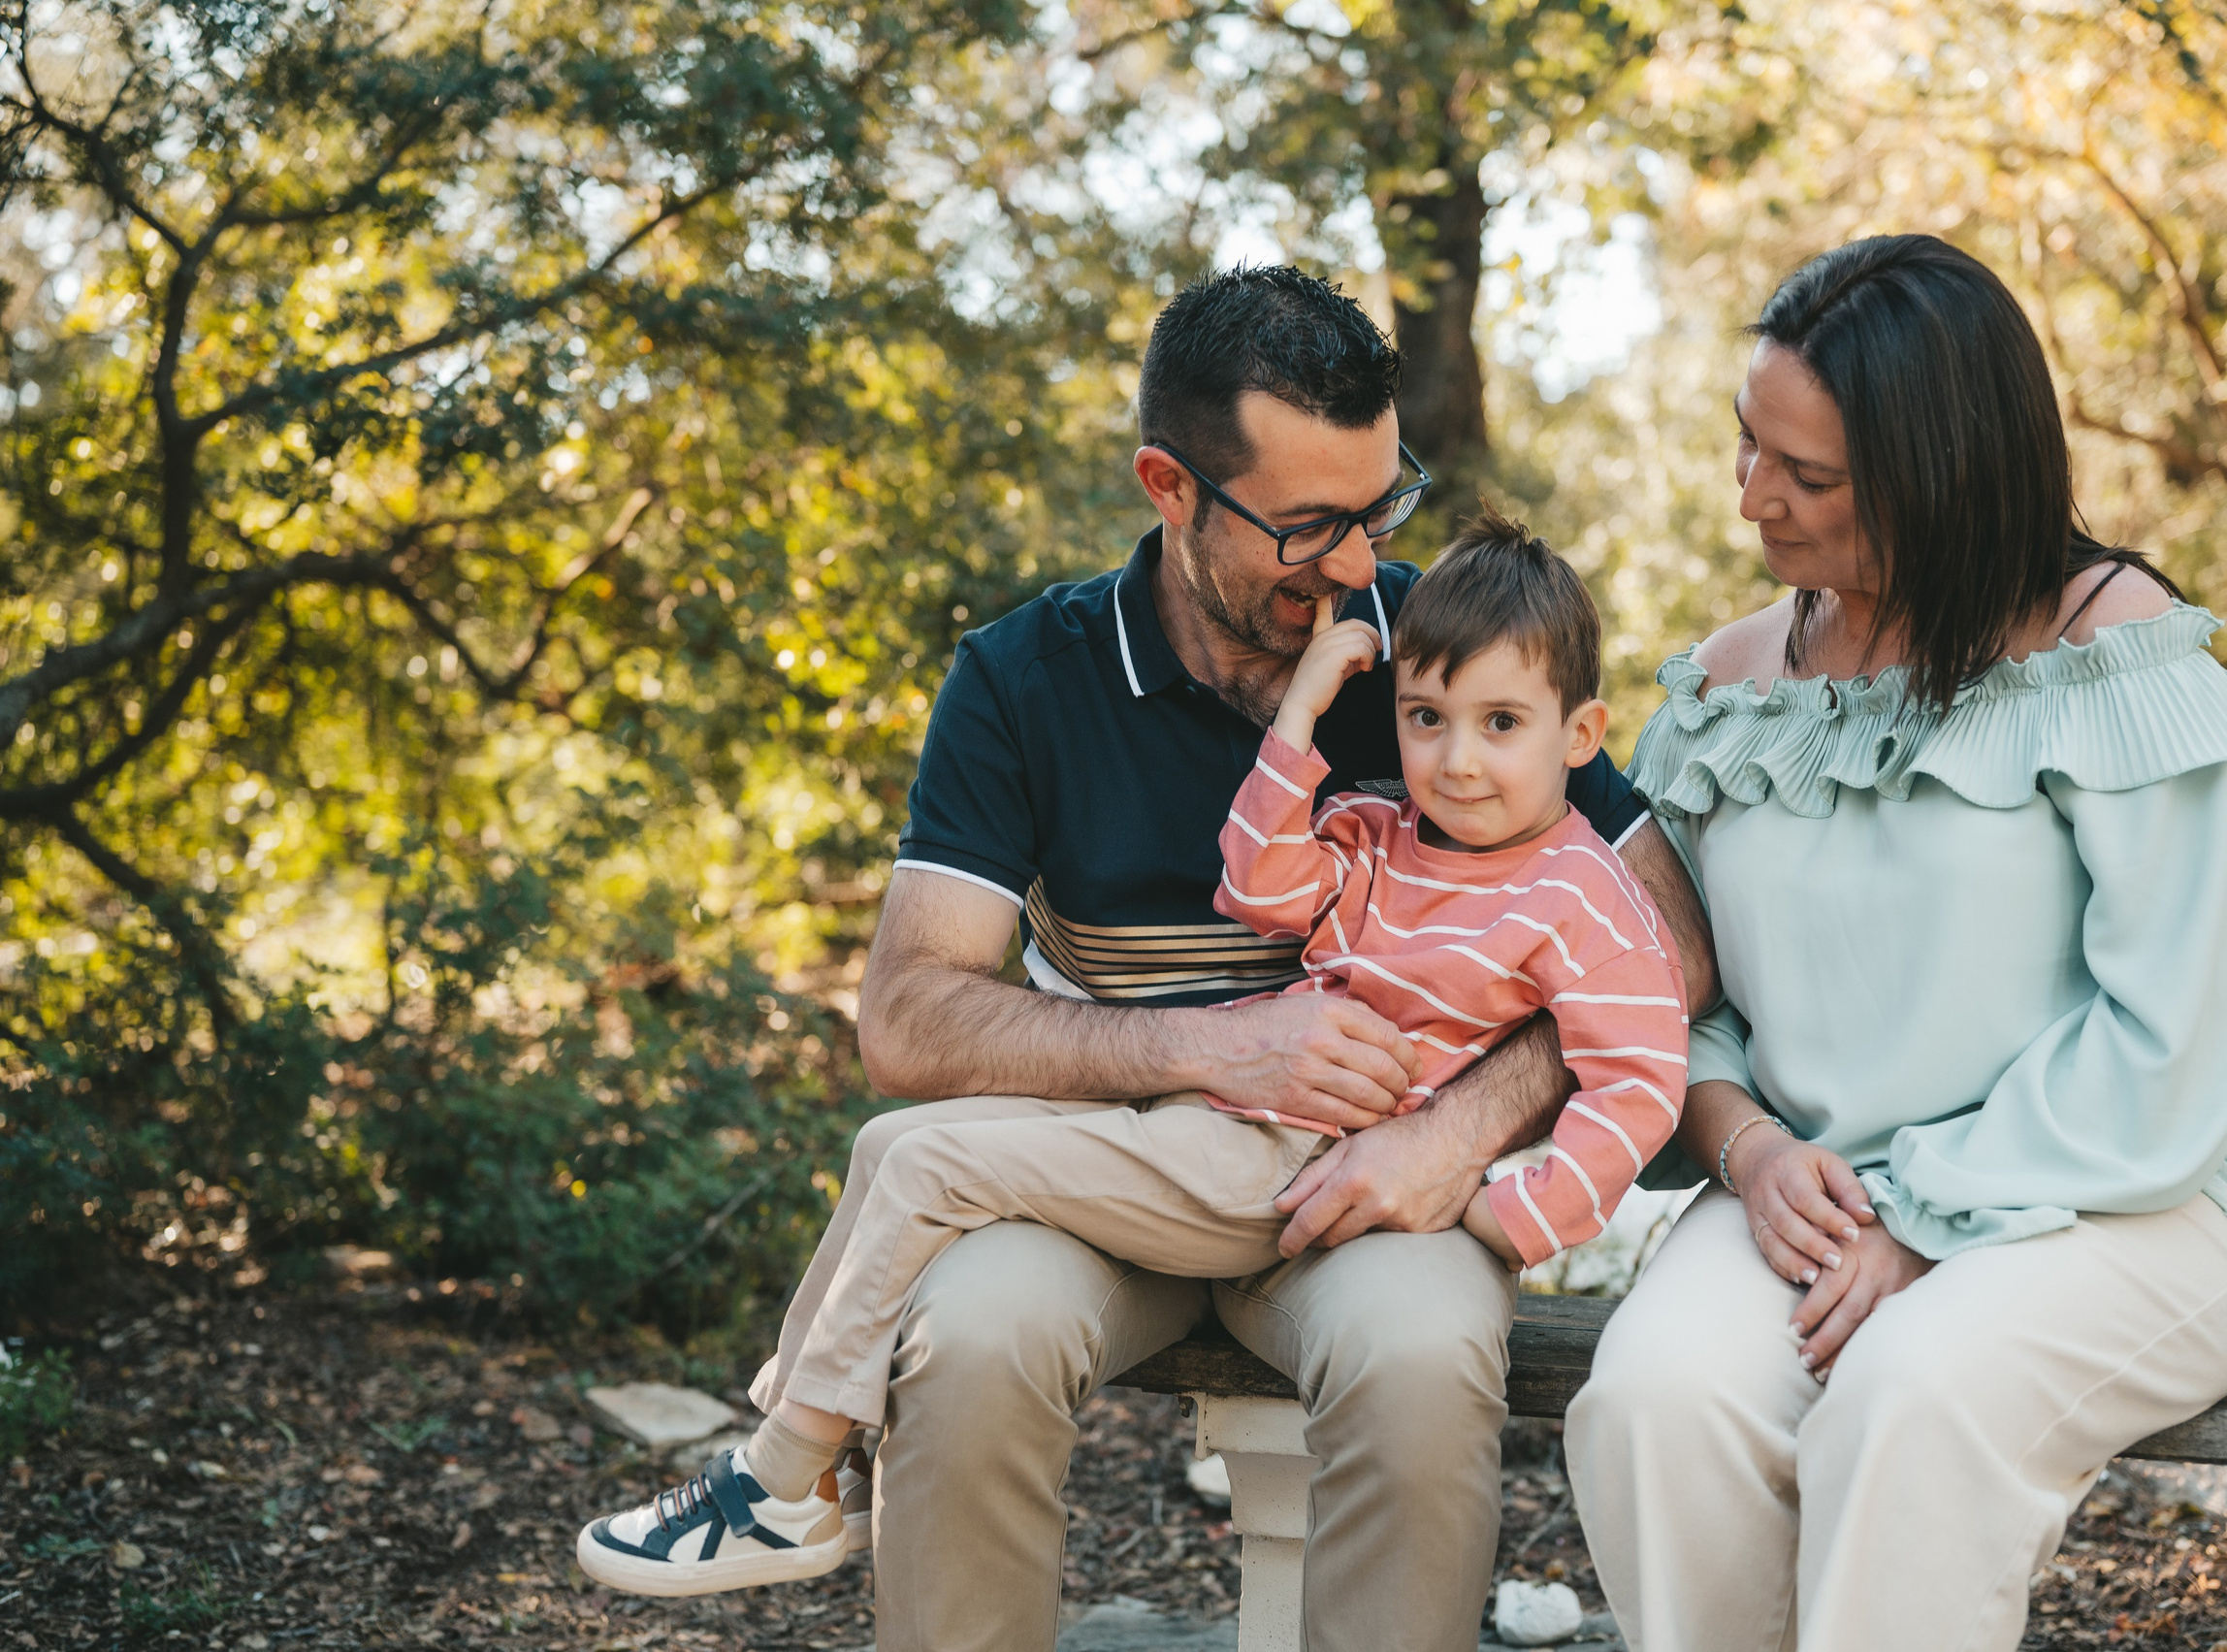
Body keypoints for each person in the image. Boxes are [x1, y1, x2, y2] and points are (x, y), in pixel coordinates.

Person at [593, 266, 1716, 1651]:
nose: (1358, 564)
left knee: (1422, 1352)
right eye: (1309, 527)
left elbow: (1666, 944)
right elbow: (910, 1016)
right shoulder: (1026, 677)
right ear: (1171, 487)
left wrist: (1463, 1132)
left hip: (1360, 1186)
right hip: (1112, 1172)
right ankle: (811, 1506)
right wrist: (1208, 1045)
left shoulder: (1444, 662)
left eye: (1380, 509)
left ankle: (780, 1474)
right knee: (975, 1333)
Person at [1565, 235, 2227, 1652]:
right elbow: (1667, 995)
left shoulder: (2107, 651)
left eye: (1811, 477)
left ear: (1942, 470)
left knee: (1912, 1399)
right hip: (1814, 1191)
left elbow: (2177, 1034)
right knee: (1656, 1402)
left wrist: (1925, 1217)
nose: (1753, 499)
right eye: (1747, 446)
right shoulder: (1725, 690)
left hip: (2114, 1195)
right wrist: (1748, 1150)